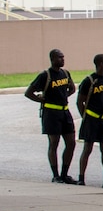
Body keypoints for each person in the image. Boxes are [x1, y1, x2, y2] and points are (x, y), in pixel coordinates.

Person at [25, 49, 79, 184]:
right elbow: (28, 92)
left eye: (63, 57)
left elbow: (72, 88)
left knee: (71, 143)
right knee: (54, 143)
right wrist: (41, 100)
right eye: (60, 57)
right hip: (51, 113)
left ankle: (65, 174)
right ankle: (55, 175)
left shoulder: (65, 73)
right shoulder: (45, 75)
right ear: (53, 59)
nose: (63, 59)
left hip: (65, 112)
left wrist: (63, 96)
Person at [75, 53, 103, 189]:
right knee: (87, 148)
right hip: (91, 118)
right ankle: (81, 178)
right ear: (100, 64)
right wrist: (85, 117)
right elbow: (80, 101)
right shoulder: (89, 80)